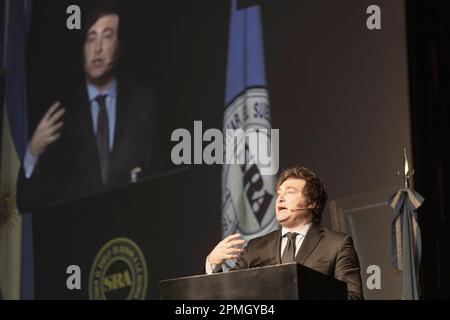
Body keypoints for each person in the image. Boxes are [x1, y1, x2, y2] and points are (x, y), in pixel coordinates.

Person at [16, 0, 163, 213]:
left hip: (131, 232)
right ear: (81, 47)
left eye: (107, 35)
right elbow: (26, 203)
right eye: (90, 37)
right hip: (76, 236)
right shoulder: (60, 112)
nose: (97, 48)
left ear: (119, 45)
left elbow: (158, 185)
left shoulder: (143, 103)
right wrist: (33, 150)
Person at [206, 166, 364, 300]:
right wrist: (213, 265)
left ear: (311, 203)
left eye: (289, 192)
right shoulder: (255, 247)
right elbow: (229, 295)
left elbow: (353, 296)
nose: (280, 199)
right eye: (279, 193)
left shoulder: (337, 245)